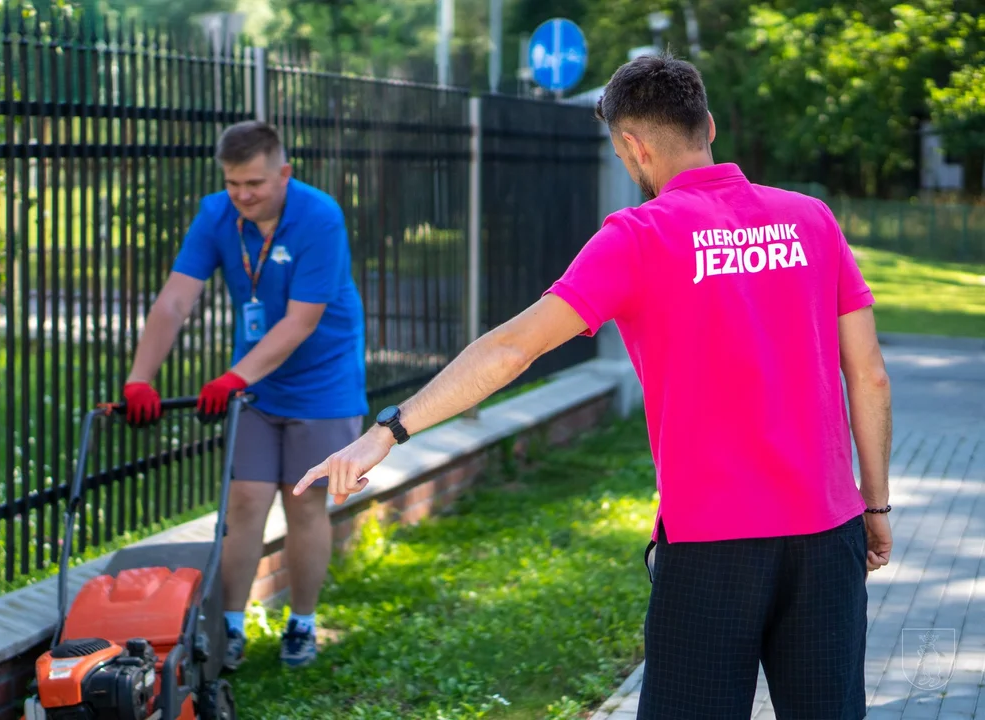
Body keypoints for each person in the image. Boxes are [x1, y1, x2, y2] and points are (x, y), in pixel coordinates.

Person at [294, 52, 894, 719]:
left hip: (713, 546)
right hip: (829, 532)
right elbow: (868, 376)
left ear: (632, 147)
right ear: (710, 126)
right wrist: (877, 505)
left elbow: (512, 346)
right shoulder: (812, 220)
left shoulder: (639, 237)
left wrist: (389, 429)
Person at [122, 120, 368, 670]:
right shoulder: (216, 216)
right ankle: (229, 628)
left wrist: (234, 377)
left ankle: (300, 625)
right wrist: (140, 377)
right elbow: (173, 303)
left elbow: (302, 322)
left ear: (284, 172)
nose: (243, 195)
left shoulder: (320, 217)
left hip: (323, 381)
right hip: (257, 380)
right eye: (233, 183)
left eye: (254, 183)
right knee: (245, 501)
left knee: (303, 503)